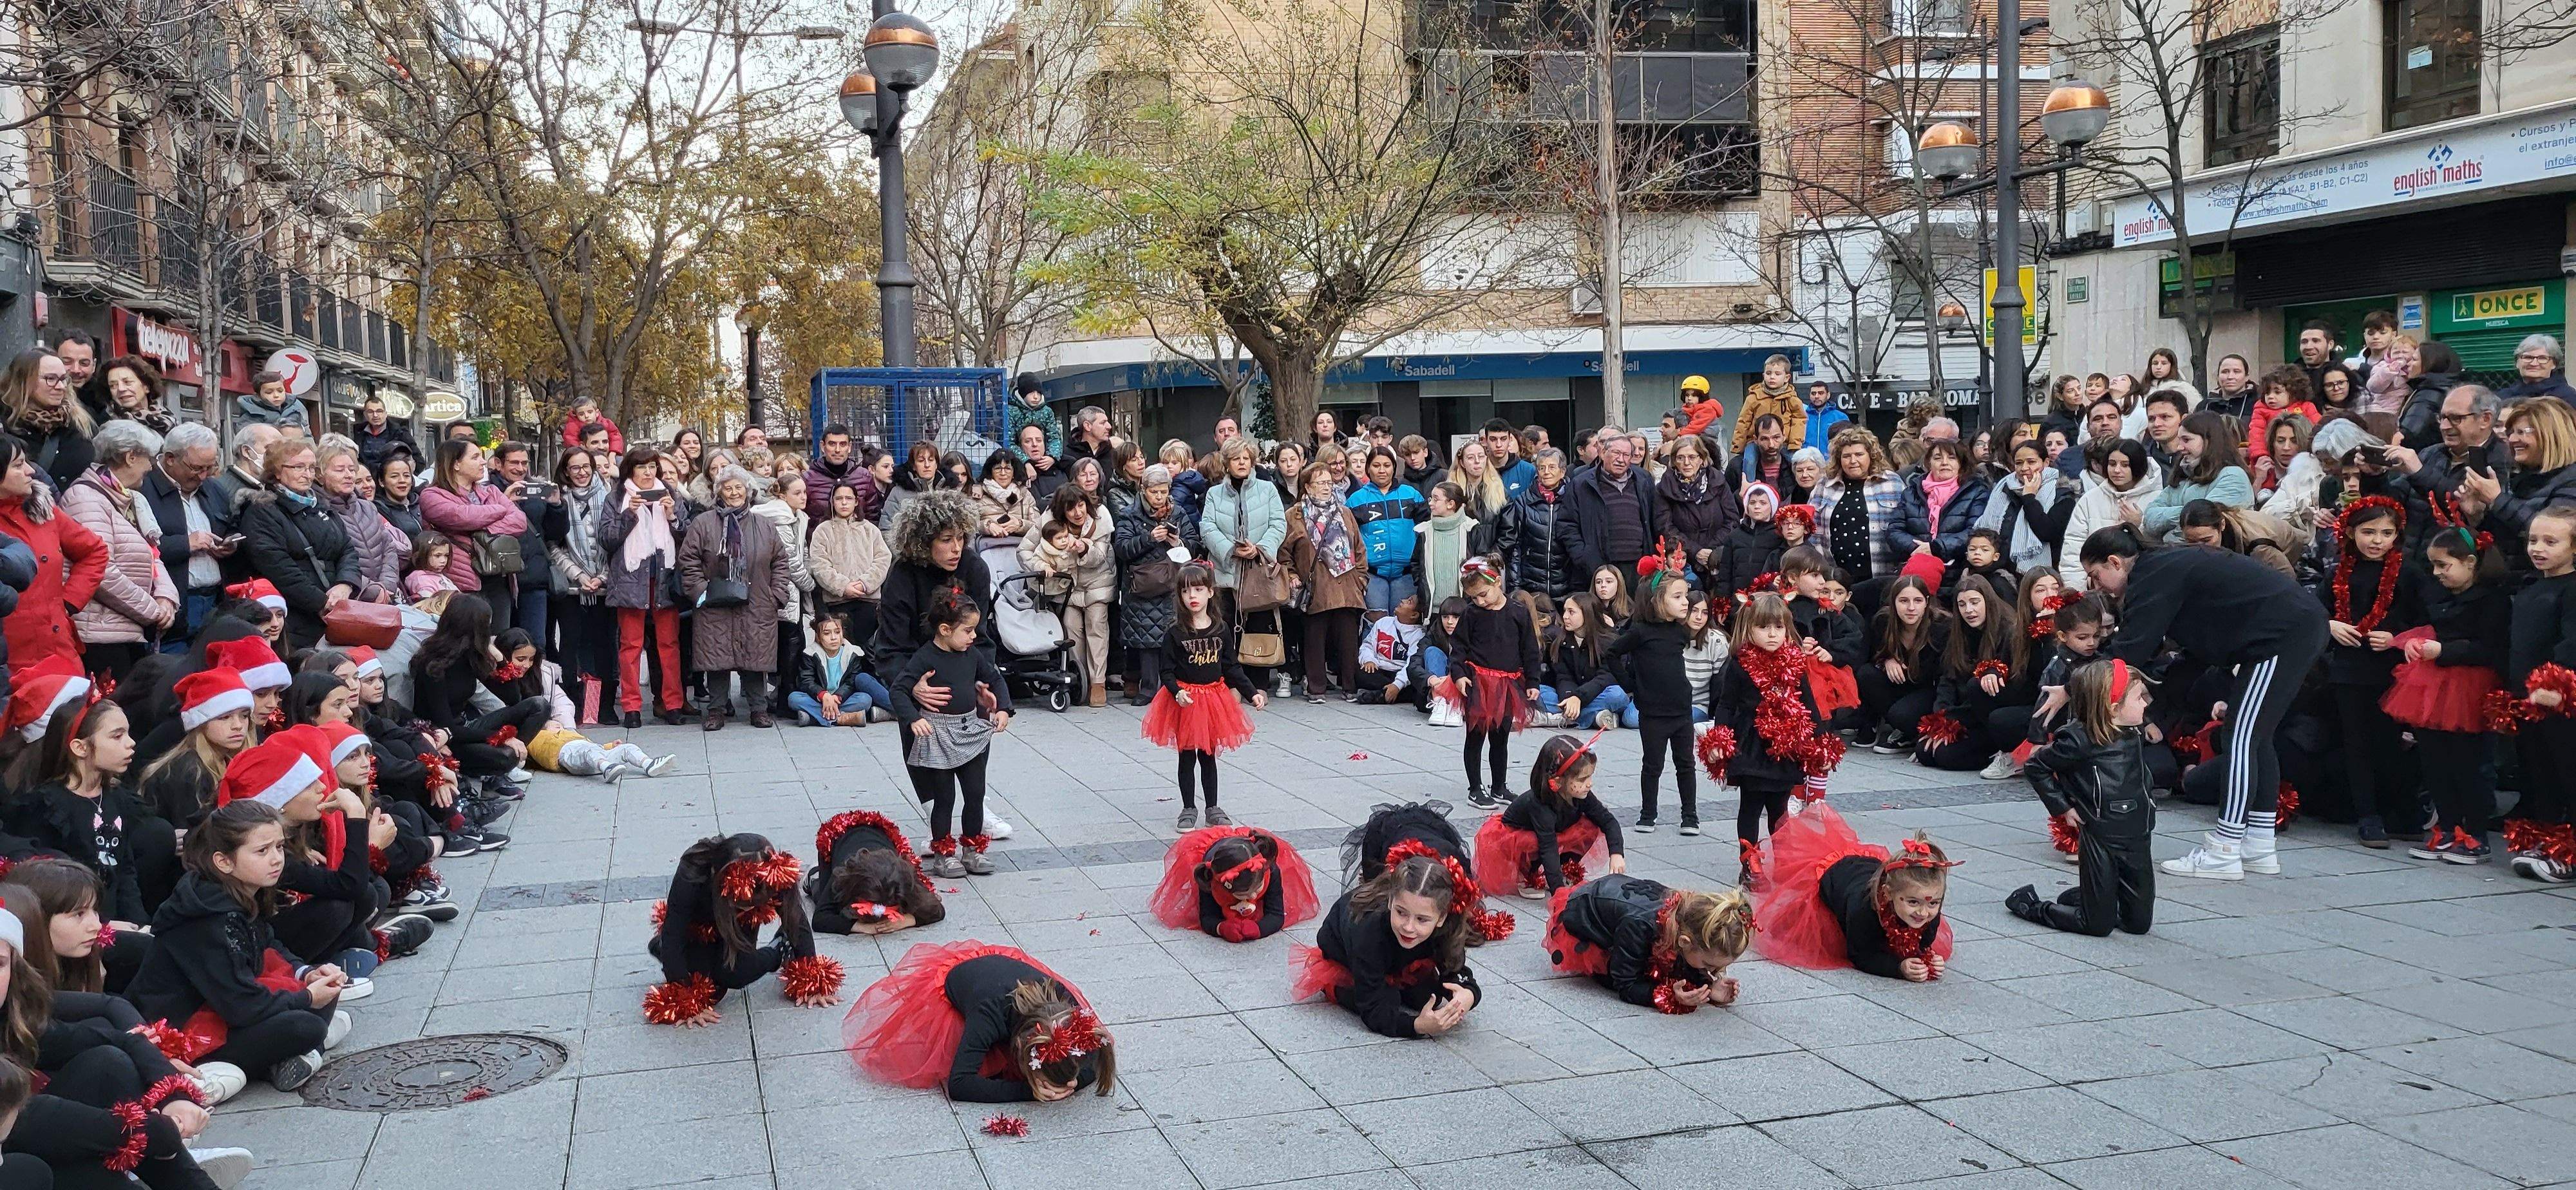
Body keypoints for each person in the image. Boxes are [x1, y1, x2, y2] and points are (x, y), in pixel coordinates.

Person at [2083, 524, 2327, 879]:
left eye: (2095, 575)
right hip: (2285, 632)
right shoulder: (2165, 567)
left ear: (2115, 563)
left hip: (2280, 636)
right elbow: (2193, 655)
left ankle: (2225, 849)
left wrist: (2078, 683)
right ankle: (2258, 845)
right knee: (2255, 738)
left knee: (2241, 739)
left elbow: (2132, 648)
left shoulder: (2152, 574)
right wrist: (2157, 694)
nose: (2096, 586)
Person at [127, 800, 347, 1092]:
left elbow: (267, 941)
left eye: (279, 847)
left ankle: (286, 1057)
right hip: (185, 1029)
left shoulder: (237, 890)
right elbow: (241, 1005)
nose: (277, 859)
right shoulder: (208, 916)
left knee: (325, 992)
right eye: (262, 851)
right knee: (308, 1026)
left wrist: (306, 973)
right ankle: (283, 1057)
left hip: (226, 1005)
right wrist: (307, 998)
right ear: (224, 861)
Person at [844, 940, 1113, 1102]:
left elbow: (1096, 1059)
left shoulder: (1067, 1009)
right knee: (975, 1059)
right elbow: (960, 1084)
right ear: (1019, 1048)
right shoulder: (988, 1015)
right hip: (964, 984)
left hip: (1011, 975)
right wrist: (1030, 1091)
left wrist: (1073, 1084)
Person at [2385, 527, 2510, 864]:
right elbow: (2429, 628)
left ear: (2470, 563)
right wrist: (2414, 642)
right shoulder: (2441, 597)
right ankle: (2449, 827)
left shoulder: (2493, 600)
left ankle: (2476, 834)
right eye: (2435, 566)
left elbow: (2491, 648)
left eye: (2444, 565)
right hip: (2433, 686)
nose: (2437, 573)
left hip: (2468, 688)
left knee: (2468, 763)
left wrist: (2444, 649)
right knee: (2435, 762)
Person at [2007, 658, 2157, 936]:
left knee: (2138, 925)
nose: (2146, 704)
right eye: (2139, 697)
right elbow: (2036, 766)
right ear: (2113, 709)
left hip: (2138, 834)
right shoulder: (2079, 739)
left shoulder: (2132, 731)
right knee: (2097, 926)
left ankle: (2093, 896)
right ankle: (2032, 906)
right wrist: (2063, 807)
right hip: (2101, 836)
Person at [640, 833, 840, 1027]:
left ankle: (780, 947)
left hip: (739, 928)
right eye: (741, 904)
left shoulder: (770, 871)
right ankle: (673, 950)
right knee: (699, 980)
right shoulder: (694, 871)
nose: (746, 908)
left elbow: (796, 920)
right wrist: (684, 999)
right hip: (699, 924)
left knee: (732, 975)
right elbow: (674, 929)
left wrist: (812, 979)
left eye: (752, 905)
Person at [1707, 593, 1839, 882]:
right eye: (1764, 628)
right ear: (1749, 628)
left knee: (1779, 808)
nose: (1772, 634)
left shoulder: (1795, 662)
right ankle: (1749, 861)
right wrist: (1719, 740)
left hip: (1785, 747)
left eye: (1778, 628)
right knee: (1751, 805)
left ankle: (1784, 857)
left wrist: (1821, 744)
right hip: (1751, 745)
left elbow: (1808, 704)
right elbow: (1726, 705)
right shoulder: (1740, 664)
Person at [1754, 804, 1956, 981]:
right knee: (1798, 933)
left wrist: (1927, 957)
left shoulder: (1929, 917)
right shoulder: (1864, 911)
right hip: (1837, 878)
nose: (1923, 912)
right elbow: (1860, 955)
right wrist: (1899, 968)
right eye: (1913, 902)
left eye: (1933, 903)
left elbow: (1922, 944)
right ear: (1887, 895)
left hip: (1868, 868)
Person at [1293, 849, 1482, 1039]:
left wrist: (1467, 996)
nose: (1409, 927)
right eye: (1401, 913)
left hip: (1397, 957)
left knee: (1427, 997)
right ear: (1391, 901)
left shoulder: (1447, 926)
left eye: (1422, 920)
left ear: (1441, 918)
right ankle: (1349, 990)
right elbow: (1373, 1011)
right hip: (1347, 959)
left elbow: (1456, 970)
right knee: (1386, 1000)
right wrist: (1417, 1026)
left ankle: (1400, 982)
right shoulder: (1369, 931)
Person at [890, 590, 1012, 876]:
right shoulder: (925, 658)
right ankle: (944, 852)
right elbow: (899, 689)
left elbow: (994, 677)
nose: (973, 637)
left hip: (969, 730)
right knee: (944, 798)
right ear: (945, 630)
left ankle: (972, 849)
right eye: (968, 631)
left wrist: (1004, 708)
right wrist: (912, 720)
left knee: (975, 793)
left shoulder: (973, 655)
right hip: (939, 734)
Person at [1142, 563, 1264, 831]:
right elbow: (1166, 671)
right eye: (1186, 591)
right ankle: (1188, 808)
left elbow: (1231, 667)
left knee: (1208, 755)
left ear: (1210, 592)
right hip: (1185, 700)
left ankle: (1212, 807)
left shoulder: (1221, 629)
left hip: (1213, 699)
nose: (1192, 596)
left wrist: (1251, 692)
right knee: (1187, 755)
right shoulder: (1175, 633)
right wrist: (1177, 692)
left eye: (1198, 589)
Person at [677, 465, 791, 730]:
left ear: (749, 491)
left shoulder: (764, 526)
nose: (734, 492)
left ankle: (758, 709)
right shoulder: (703, 523)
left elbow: (781, 563)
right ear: (719, 492)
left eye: (739, 487)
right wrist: (701, 593)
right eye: (728, 488)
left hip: (758, 600)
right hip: (714, 603)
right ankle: (716, 710)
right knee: (717, 659)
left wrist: (776, 595)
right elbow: (689, 560)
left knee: (755, 658)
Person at [64, 419, 178, 675]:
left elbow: (153, 554)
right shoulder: (86, 498)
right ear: (130, 457)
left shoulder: (130, 499)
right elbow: (102, 571)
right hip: (100, 638)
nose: (152, 466)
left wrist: (167, 597)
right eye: (150, 458)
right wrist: (153, 611)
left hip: (126, 632)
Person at [1544, 876, 1751, 1012]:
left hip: (1624, 907)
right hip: (1583, 915)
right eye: (1709, 966)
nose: (1716, 972)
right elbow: (1626, 985)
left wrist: (1708, 986)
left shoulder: (1689, 920)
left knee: (1662, 966)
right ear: (1684, 941)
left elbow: (1688, 958)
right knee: (1623, 971)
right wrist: (1669, 996)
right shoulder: (1639, 927)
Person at [2503, 504, 2576, 882]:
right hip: (2531, 703)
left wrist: (2556, 685)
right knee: (2540, 774)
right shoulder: (2533, 585)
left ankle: (2570, 853)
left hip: (2561, 702)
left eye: (2551, 541)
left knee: (2568, 773)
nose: (2538, 548)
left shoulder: (2572, 589)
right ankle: (2549, 841)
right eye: (2533, 540)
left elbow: (2571, 643)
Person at [1606, 567, 1707, 832]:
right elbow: (1612, 654)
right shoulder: (1640, 632)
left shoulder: (1680, 632)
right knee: (1653, 765)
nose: (1686, 602)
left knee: (1686, 764)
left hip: (1681, 710)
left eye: (1685, 596)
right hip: (1652, 712)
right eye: (1678, 597)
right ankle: (1648, 814)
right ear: (1657, 601)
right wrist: (1630, 684)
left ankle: (1690, 816)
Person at [1474, 732, 1624, 900]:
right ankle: (1528, 877)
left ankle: (1565, 868)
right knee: (1534, 843)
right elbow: (1548, 848)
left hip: (1552, 834)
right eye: (1582, 779)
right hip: (1516, 840)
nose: (1590, 784)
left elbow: (1608, 821)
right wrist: (1559, 893)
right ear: (1558, 782)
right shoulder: (1540, 805)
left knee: (1589, 827)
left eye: (1590, 776)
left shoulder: (1582, 795)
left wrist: (1617, 853)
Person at [0, 436, 104, 679]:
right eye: (18, 465)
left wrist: (67, 602)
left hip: (59, 652)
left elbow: (95, 550)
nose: (30, 472)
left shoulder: (42, 509)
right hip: (11, 664)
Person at [1444, 559, 1542, 808]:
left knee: (1501, 737)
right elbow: (1459, 649)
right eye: (1473, 598)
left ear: (1497, 581)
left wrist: (1533, 680)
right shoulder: (1471, 614)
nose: (1480, 601)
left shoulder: (1519, 612)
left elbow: (1530, 650)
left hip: (1508, 684)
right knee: (1476, 736)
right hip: (1478, 682)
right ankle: (1475, 788)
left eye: (1483, 595)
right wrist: (1459, 674)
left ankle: (1499, 786)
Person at [136, 422, 234, 645]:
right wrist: (185, 544)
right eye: (197, 468)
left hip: (214, 601)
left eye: (210, 468)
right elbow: (134, 548)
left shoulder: (214, 489)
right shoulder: (143, 488)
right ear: (170, 459)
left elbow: (229, 527)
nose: (203, 476)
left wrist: (230, 545)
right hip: (171, 605)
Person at [417, 438, 527, 637]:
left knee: (498, 643)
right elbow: (462, 517)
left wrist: (481, 526)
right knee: (468, 645)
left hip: (499, 580)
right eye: (475, 457)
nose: (484, 462)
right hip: (462, 583)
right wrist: (500, 509)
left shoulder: (491, 491)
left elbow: (519, 521)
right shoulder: (432, 496)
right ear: (456, 464)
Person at [2383, 383, 2508, 555]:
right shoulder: (2431, 453)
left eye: (2456, 418)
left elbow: (2466, 507)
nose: (2444, 426)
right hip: (2411, 562)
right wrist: (2375, 476)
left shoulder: (2502, 460)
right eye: (2442, 418)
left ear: (2485, 419)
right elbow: (2394, 499)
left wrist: (2420, 473)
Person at [1020, 487, 1115, 708]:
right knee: (1071, 629)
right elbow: (1024, 550)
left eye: (1081, 506)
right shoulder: (1049, 520)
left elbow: (1100, 557)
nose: (1077, 512)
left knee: (1096, 626)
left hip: (1097, 584)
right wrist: (1041, 566)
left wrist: (1083, 549)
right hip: (1066, 587)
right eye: (1071, 508)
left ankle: (1098, 682)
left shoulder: (1101, 518)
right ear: (1062, 510)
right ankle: (1079, 680)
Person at [2459, 397, 2576, 571]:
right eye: (2511, 433)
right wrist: (2476, 517)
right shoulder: (2517, 477)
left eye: (2522, 432)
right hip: (2512, 581)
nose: (2512, 440)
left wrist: (2497, 499)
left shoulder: (2571, 480)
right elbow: (2507, 538)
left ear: (2551, 435)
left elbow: (2553, 535)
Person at [1148, 825, 1321, 941]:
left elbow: (1276, 915)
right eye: (1244, 895)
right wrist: (1221, 928)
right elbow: (1207, 918)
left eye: (1257, 890)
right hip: (1217, 858)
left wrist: (1259, 928)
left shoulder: (1269, 869)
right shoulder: (1210, 878)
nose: (1253, 896)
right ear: (1226, 886)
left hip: (1242, 856)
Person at [1282, 462, 1365, 703]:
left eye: (1329, 483)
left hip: (1348, 586)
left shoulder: (1345, 512)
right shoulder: (1295, 515)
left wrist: (1361, 578)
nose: (1326, 488)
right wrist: (1292, 576)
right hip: (1316, 586)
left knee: (1349, 639)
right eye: (1320, 483)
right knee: (1314, 639)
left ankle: (1350, 686)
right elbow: (1284, 553)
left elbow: (1359, 548)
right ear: (1307, 486)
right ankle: (1316, 687)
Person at [547, 446, 618, 722]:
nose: (582, 472)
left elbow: (618, 541)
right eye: (575, 467)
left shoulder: (611, 497)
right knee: (571, 646)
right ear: (566, 471)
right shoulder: (559, 500)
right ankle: (578, 705)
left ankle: (605, 706)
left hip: (605, 583)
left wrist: (602, 576)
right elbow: (553, 545)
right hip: (572, 586)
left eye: (586, 466)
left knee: (605, 646)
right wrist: (579, 575)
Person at [808, 809, 945, 934]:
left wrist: (909, 919)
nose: (880, 911)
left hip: (880, 833)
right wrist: (858, 926)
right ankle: (813, 877)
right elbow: (820, 919)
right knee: (825, 898)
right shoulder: (845, 873)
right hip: (838, 835)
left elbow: (936, 909)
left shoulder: (903, 876)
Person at [315, 435, 404, 606]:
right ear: (320, 475)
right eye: (340, 470)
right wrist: (372, 590)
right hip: (351, 599)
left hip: (385, 596)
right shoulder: (319, 512)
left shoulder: (368, 507)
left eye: (351, 469)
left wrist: (385, 588)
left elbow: (388, 547)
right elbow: (332, 563)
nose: (349, 476)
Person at [2140, 411, 2253, 542]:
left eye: (2187, 440)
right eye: (2179, 440)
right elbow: (2149, 517)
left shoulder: (2233, 477)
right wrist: (2184, 515)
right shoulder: (2183, 479)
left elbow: (2202, 522)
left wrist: (2167, 532)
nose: (2179, 447)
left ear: (2209, 440)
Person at [1565, 428, 1657, 585]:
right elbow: (1567, 525)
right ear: (1602, 454)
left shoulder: (1643, 480)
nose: (1621, 460)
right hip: (1598, 568)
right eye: (1616, 453)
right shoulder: (1582, 483)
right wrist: (1584, 557)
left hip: (1637, 568)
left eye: (1626, 455)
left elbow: (1654, 519)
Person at [1812, 429, 1903, 584]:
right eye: (1846, 456)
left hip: (1882, 576)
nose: (1853, 461)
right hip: (1835, 578)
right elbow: (1813, 530)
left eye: (1859, 455)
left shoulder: (1892, 483)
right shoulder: (1825, 485)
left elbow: (1905, 525)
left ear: (1871, 455)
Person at [489, 441, 555, 650]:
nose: (521, 468)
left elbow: (555, 532)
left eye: (525, 463)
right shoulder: (488, 492)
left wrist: (558, 506)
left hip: (534, 578)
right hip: (501, 581)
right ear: (499, 464)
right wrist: (505, 501)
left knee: (536, 644)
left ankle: (536, 683)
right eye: (515, 463)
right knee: (502, 644)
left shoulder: (537, 489)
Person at [1345, 446, 1425, 618]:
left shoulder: (1411, 495)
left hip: (1406, 574)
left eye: (1387, 465)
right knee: (1375, 625)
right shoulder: (1355, 500)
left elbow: (1427, 531)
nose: (1382, 470)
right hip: (1372, 575)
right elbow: (1348, 540)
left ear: (1394, 468)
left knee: (1404, 623)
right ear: (1368, 468)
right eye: (1376, 465)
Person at [1, 349, 93, 494]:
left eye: (63, 379)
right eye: (50, 379)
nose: (61, 387)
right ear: (24, 380)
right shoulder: (5, 428)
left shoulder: (80, 420)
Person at [1975, 439, 2070, 578]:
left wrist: (2030, 497)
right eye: (2019, 463)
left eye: (2031, 462)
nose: (2024, 468)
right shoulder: (2004, 488)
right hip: (2000, 571)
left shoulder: (2061, 493)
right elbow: (1988, 532)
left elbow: (2048, 533)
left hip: (2043, 575)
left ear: (2046, 463)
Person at [1891, 439, 1991, 571]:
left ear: (1960, 463)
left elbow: (1975, 530)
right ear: (1929, 463)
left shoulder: (1976, 491)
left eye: (1951, 458)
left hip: (1959, 569)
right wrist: (1919, 549)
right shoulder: (1911, 492)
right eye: (1938, 458)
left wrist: (1936, 548)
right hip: (1916, 566)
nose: (1945, 463)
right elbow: (1895, 530)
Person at [791, 613, 892, 727]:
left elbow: (851, 682)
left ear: (843, 634)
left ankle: (815, 718)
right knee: (794, 698)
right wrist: (823, 695)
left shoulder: (853, 653)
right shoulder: (811, 653)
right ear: (818, 637)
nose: (833, 638)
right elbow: (806, 681)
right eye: (827, 634)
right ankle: (841, 718)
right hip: (820, 699)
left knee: (865, 699)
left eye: (837, 632)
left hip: (842, 699)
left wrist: (837, 697)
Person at [1733, 355, 1803, 455]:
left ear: (1787, 378)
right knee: (1749, 461)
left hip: (1784, 442)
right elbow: (1743, 422)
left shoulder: (1792, 399)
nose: (1772, 377)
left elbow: (1799, 421)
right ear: (1763, 375)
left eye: (1777, 374)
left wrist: (1795, 444)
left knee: (1793, 461)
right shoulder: (1754, 397)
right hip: (1756, 442)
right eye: (1768, 373)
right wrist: (1738, 445)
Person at [351, 395, 418, 475]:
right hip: (366, 482)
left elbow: (419, 461)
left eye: (379, 411)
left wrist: (408, 480)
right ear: (365, 415)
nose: (375, 415)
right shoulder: (356, 433)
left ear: (386, 414)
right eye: (371, 412)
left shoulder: (400, 433)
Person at [2501, 334, 2576, 403]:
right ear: (2517, 363)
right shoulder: (2503, 398)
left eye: (2542, 358)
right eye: (2528, 357)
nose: (2534, 364)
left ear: (2554, 364)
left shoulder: (2568, 398)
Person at [232, 369, 306, 433]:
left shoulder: (295, 408)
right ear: (258, 395)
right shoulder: (251, 414)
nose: (276, 395)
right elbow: (247, 439)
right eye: (269, 392)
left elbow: (306, 431)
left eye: (280, 391)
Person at [2202, 354, 2257, 421]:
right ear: (2218, 377)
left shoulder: (2258, 403)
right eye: (2225, 372)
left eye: (2237, 372)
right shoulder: (2204, 406)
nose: (2230, 377)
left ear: (2247, 377)